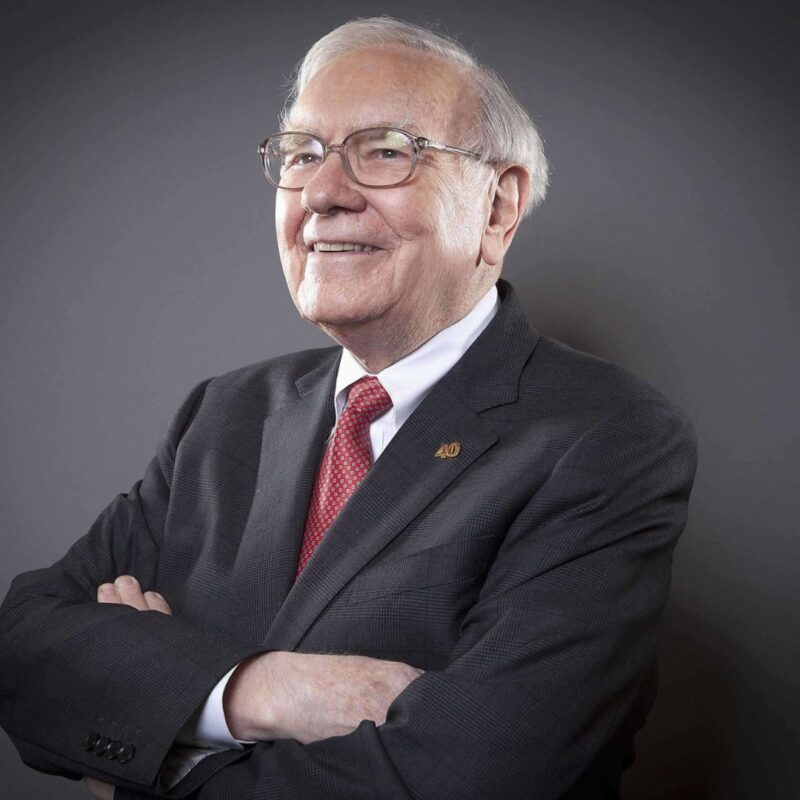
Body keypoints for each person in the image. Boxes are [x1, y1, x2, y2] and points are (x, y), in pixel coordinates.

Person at [0, 16, 697, 800]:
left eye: (387, 151)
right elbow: (23, 648)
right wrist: (255, 692)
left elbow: (476, 775)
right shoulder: (225, 414)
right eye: (301, 154)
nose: (324, 194)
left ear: (498, 209)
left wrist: (147, 751)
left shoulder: (607, 438)